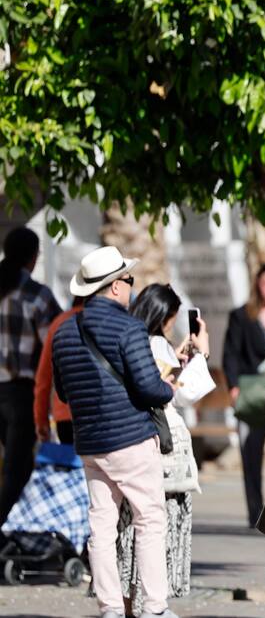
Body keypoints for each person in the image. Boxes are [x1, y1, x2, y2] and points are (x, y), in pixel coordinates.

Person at [51, 246, 177, 618]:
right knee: (150, 519)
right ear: (116, 287)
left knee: (101, 526)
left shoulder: (63, 332)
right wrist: (169, 387)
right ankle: (154, 607)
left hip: (89, 442)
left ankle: (109, 607)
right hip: (130, 439)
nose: (131, 287)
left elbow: (62, 391)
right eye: (129, 280)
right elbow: (149, 387)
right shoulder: (128, 327)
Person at [123, 284, 210, 616]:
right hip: (164, 445)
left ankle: (129, 602)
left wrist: (178, 356)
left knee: (129, 525)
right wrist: (201, 353)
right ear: (164, 315)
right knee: (160, 523)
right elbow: (180, 392)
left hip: (130, 438)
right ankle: (153, 604)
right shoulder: (156, 342)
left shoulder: (134, 340)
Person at [0, 227, 62, 529]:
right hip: (21, 395)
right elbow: (57, 345)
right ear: (33, 258)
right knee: (17, 470)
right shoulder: (37, 296)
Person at [223, 263, 265, 527]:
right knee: (251, 457)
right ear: (257, 284)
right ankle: (255, 514)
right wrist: (233, 387)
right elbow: (231, 353)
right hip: (250, 399)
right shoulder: (242, 315)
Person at [35, 297, 84, 445]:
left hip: (65, 415)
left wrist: (41, 420)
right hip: (101, 415)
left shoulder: (59, 323)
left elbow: (43, 378)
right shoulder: (107, 321)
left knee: (70, 466)